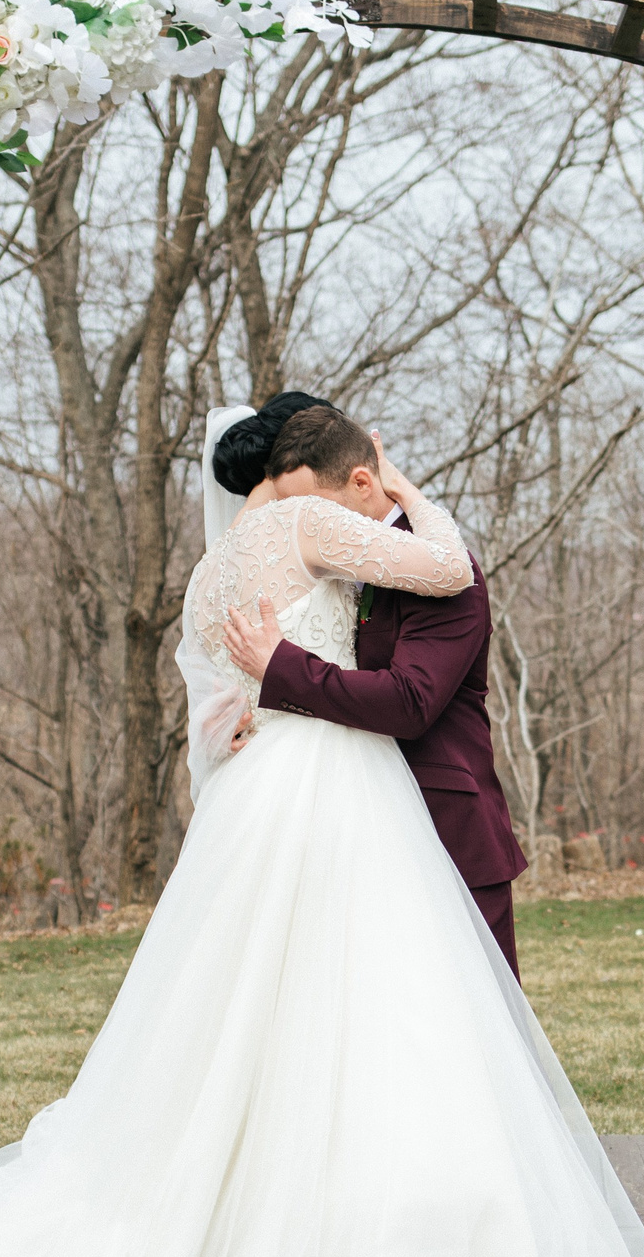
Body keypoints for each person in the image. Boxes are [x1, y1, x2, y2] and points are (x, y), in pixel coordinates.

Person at [0, 401, 644, 1257]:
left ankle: (319, 1231)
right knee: (389, 1024)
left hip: (292, 803)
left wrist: (244, 717)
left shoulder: (218, 567)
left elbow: (243, 706)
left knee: (296, 1021)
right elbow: (437, 577)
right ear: (331, 471)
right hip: (340, 790)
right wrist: (404, 501)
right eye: (360, 477)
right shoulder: (308, 528)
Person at [219, 409, 528, 977]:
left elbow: (410, 702)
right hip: (359, 827)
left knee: (473, 1030)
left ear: (363, 483)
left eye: (312, 507)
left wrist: (281, 671)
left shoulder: (445, 575)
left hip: (446, 827)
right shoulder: (339, 573)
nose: (301, 524)